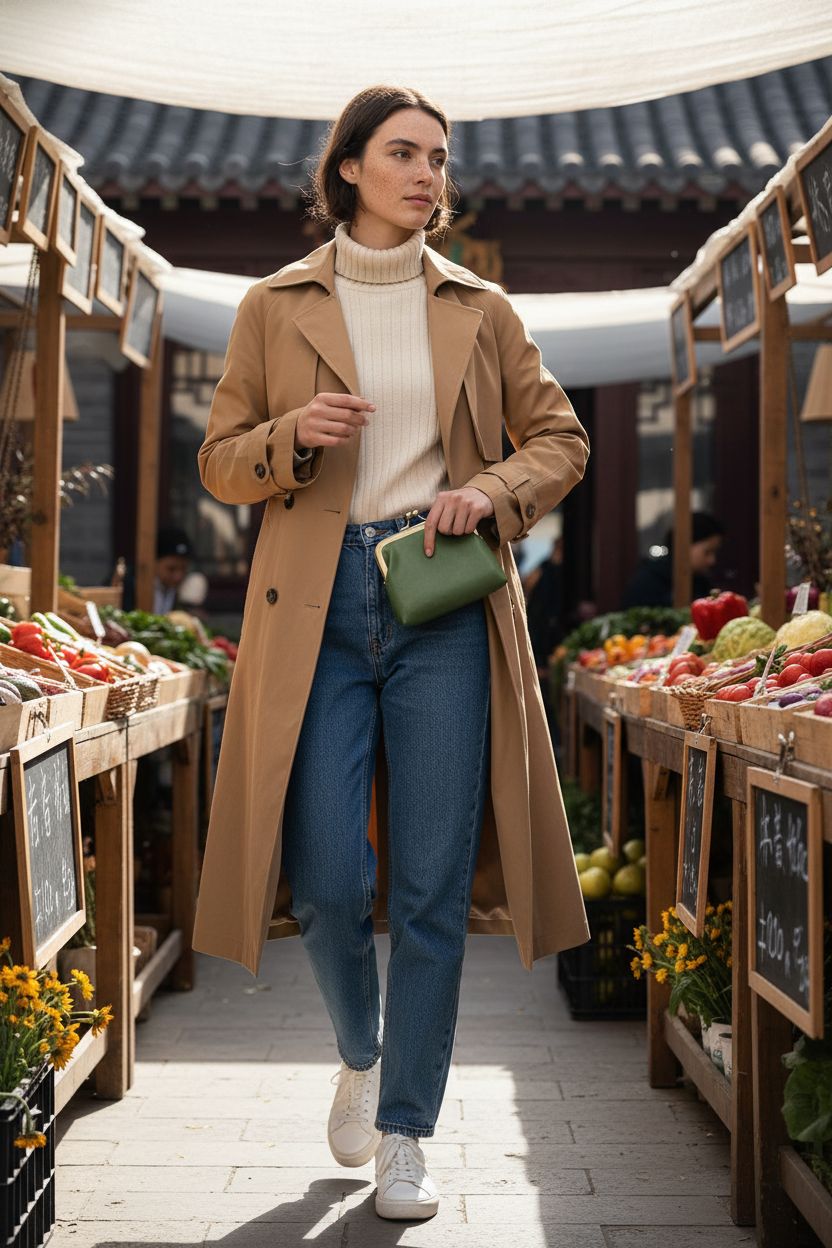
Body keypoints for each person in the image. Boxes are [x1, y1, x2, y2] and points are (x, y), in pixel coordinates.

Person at [191, 85, 590, 1222]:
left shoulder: (483, 307)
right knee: (323, 880)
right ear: (350, 168)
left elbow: (559, 438)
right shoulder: (274, 306)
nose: (427, 174)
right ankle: (361, 1054)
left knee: (424, 887)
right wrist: (289, 436)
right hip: (311, 613)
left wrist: (489, 489)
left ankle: (407, 1130)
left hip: (441, 604)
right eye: (403, 154)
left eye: (439, 158)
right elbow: (221, 462)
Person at [621, 511, 724, 608]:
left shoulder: (701, 583)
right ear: (684, 546)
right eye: (707, 552)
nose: (712, 560)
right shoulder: (648, 583)